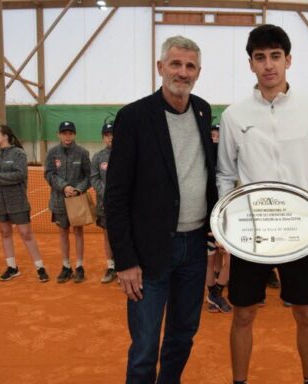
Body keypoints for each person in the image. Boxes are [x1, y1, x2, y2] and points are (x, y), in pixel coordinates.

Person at [216, 24, 308, 384]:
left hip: (302, 234)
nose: (268, 65)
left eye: (275, 56)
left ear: (288, 60)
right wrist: (228, 223)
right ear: (250, 64)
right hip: (250, 234)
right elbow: (225, 176)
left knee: (306, 313)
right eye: (260, 58)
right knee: (242, 315)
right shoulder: (233, 116)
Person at [104, 35, 217, 384]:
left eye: (190, 66)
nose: (182, 72)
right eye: (175, 64)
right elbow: (116, 195)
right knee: (145, 346)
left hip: (195, 248)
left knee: (183, 335)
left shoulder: (202, 109)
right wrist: (124, 261)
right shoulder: (134, 116)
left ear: (198, 72)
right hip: (150, 251)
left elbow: (205, 172)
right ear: (160, 67)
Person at [0, 125, 49, 282]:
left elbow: (18, 175)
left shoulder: (19, 154)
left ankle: (40, 268)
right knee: (5, 233)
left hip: (17, 202)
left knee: (26, 234)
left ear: (5, 136)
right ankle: (12, 267)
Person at [44, 121, 91, 284]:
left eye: (70, 133)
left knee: (78, 232)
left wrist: (78, 189)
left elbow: (88, 176)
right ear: (59, 134)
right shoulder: (52, 153)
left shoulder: (83, 153)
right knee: (63, 233)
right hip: (58, 201)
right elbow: (49, 174)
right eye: (64, 133)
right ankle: (66, 266)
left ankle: (79, 266)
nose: (67, 136)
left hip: (77, 201)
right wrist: (64, 187)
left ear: (75, 134)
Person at [206, 124, 232, 313]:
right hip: (209, 220)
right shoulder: (203, 162)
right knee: (211, 259)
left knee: (229, 259)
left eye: (218, 135)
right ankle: (214, 294)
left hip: (227, 221)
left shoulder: (230, 162)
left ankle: (216, 292)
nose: (215, 138)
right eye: (212, 135)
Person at [91, 122, 118, 284]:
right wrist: (107, 194)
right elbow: (94, 178)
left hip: (123, 206)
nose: (110, 138)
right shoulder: (98, 157)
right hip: (104, 205)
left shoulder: (126, 153)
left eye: (113, 135)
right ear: (103, 138)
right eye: (107, 135)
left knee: (125, 236)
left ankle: (124, 266)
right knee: (108, 236)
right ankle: (111, 267)